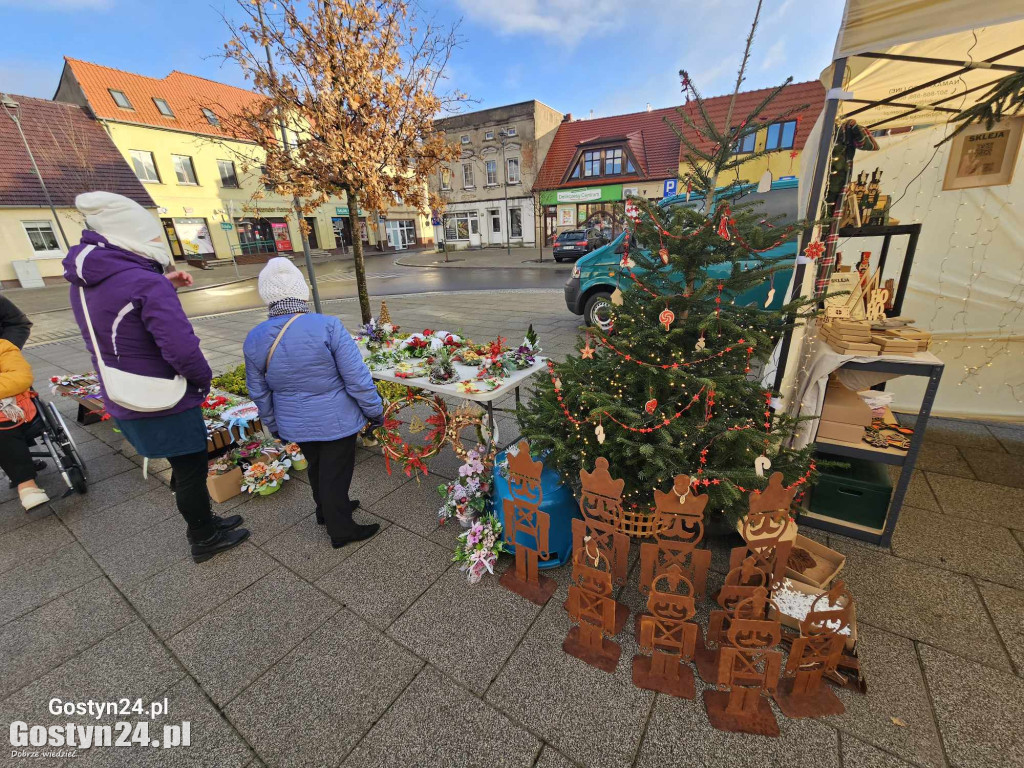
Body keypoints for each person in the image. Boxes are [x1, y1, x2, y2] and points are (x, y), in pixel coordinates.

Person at [63, 192, 248, 563]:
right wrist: (201, 381)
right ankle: (204, 536)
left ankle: (205, 521)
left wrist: (162, 283)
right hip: (163, 393)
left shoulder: (85, 279)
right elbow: (181, 348)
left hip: (123, 389)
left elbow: (119, 308)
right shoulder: (145, 283)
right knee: (192, 470)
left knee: (185, 467)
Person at [244, 257, 384, 548]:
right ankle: (341, 530)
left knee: (317, 466)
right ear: (301, 292)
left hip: (293, 420)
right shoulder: (327, 326)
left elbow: (258, 391)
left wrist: (273, 424)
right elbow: (356, 378)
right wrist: (374, 410)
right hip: (336, 419)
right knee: (336, 472)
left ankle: (327, 511)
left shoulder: (255, 338)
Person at [0, 339, 49, 509]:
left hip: (10, 407)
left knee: (2, 428)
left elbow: (20, 377)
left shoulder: (3, 347)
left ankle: (26, 485)